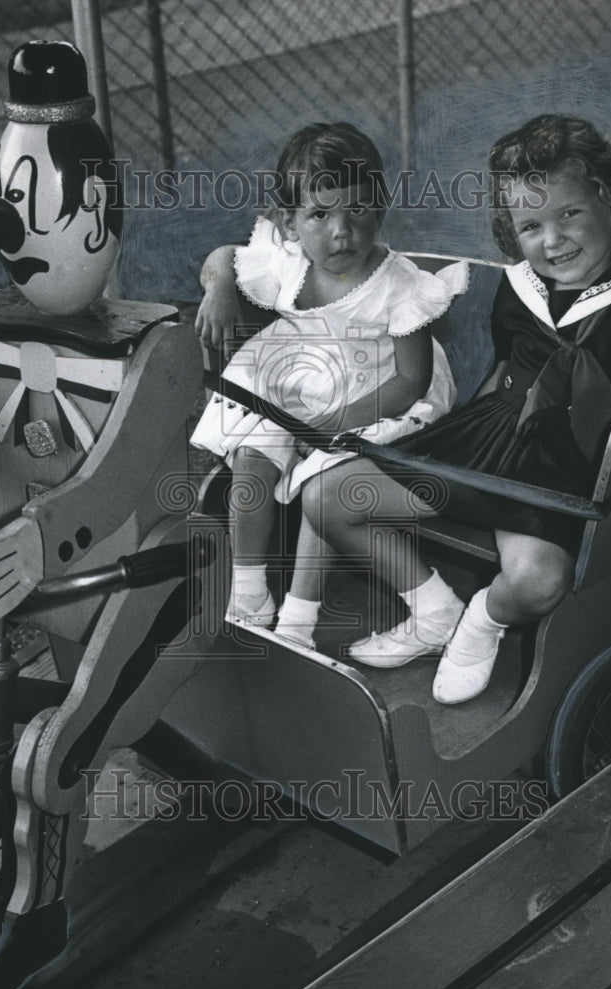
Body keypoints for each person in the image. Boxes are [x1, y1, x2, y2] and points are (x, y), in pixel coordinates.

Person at [302, 113, 611, 703]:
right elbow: (501, 375)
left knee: (537, 582)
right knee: (327, 495)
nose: (553, 240)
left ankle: (482, 619)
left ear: (609, 197)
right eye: (531, 226)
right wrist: (440, 439)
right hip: (492, 440)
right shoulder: (518, 289)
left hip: (570, 471)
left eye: (569, 213)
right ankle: (433, 608)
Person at [191, 121, 467, 639]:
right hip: (302, 374)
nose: (342, 231)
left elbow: (411, 380)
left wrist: (330, 424)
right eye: (320, 214)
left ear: (379, 210)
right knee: (253, 455)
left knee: (323, 470)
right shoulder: (288, 258)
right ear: (289, 223)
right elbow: (222, 257)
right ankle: (249, 593)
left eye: (358, 210)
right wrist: (220, 286)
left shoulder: (401, 286)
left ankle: (299, 619)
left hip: (379, 393)